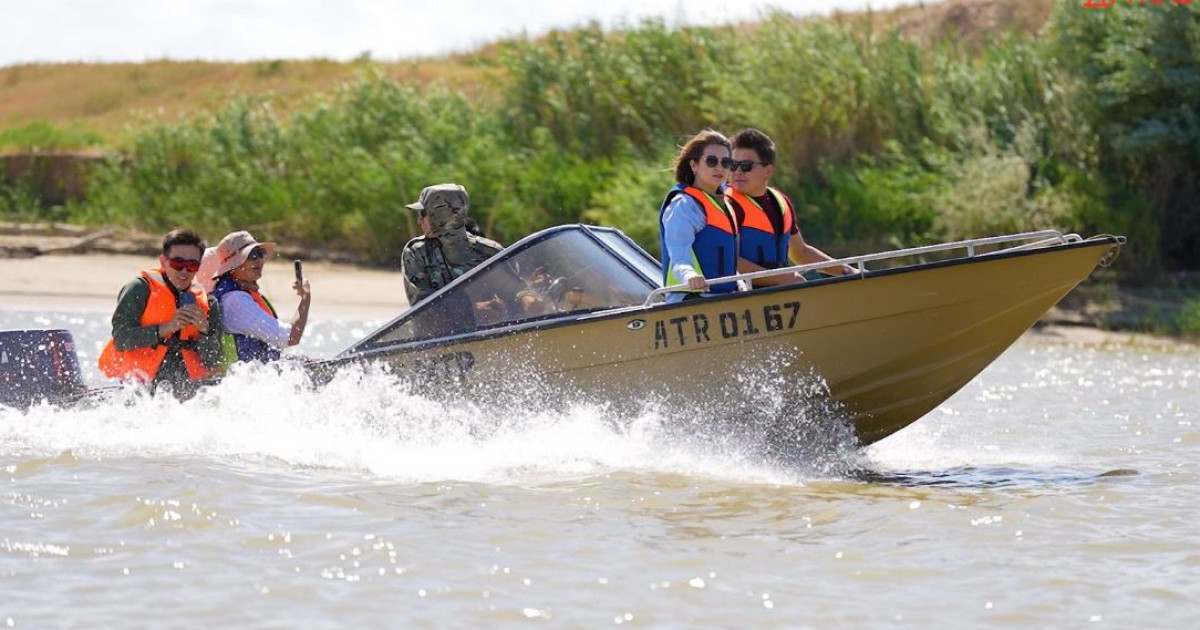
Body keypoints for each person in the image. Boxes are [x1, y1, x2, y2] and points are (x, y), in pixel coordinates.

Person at [725, 128, 854, 286]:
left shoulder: (780, 201)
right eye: (732, 165)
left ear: (768, 171)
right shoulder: (725, 204)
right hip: (744, 294)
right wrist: (786, 279)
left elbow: (800, 252)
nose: (737, 172)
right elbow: (727, 260)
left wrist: (848, 271)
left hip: (780, 294)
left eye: (746, 166)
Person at [97, 228, 223, 389]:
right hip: (139, 384)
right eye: (178, 263)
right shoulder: (139, 289)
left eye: (192, 265)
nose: (184, 271)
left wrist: (204, 329)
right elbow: (122, 339)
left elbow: (214, 360)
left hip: (189, 384)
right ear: (163, 261)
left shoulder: (208, 302)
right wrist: (167, 327)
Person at [205, 230, 311, 365]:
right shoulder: (236, 301)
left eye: (261, 253)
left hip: (254, 373)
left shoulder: (238, 294)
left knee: (301, 360)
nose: (260, 259)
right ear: (232, 266)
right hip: (250, 378)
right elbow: (291, 337)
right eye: (252, 255)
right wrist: (306, 297)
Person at [658, 129, 738, 303]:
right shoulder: (683, 205)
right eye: (711, 161)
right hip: (691, 301)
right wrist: (690, 275)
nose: (719, 167)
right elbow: (679, 257)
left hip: (724, 299)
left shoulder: (725, 204)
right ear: (694, 165)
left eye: (726, 162)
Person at [401, 183, 504, 306]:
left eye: (423, 213)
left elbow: (515, 291)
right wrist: (475, 310)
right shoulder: (416, 252)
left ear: (441, 215)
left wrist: (525, 299)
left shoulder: (490, 252)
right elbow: (423, 306)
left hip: (493, 326)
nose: (419, 221)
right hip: (439, 326)